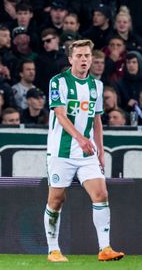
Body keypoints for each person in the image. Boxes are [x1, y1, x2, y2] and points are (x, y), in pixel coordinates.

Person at [44, 39, 124, 262]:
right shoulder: (57, 82)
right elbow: (60, 115)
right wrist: (80, 139)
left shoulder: (96, 86)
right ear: (70, 59)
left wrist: (100, 149)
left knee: (101, 194)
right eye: (79, 56)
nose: (83, 59)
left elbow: (97, 120)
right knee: (56, 200)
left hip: (87, 152)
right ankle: (53, 250)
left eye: (87, 56)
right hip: (61, 152)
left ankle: (105, 248)